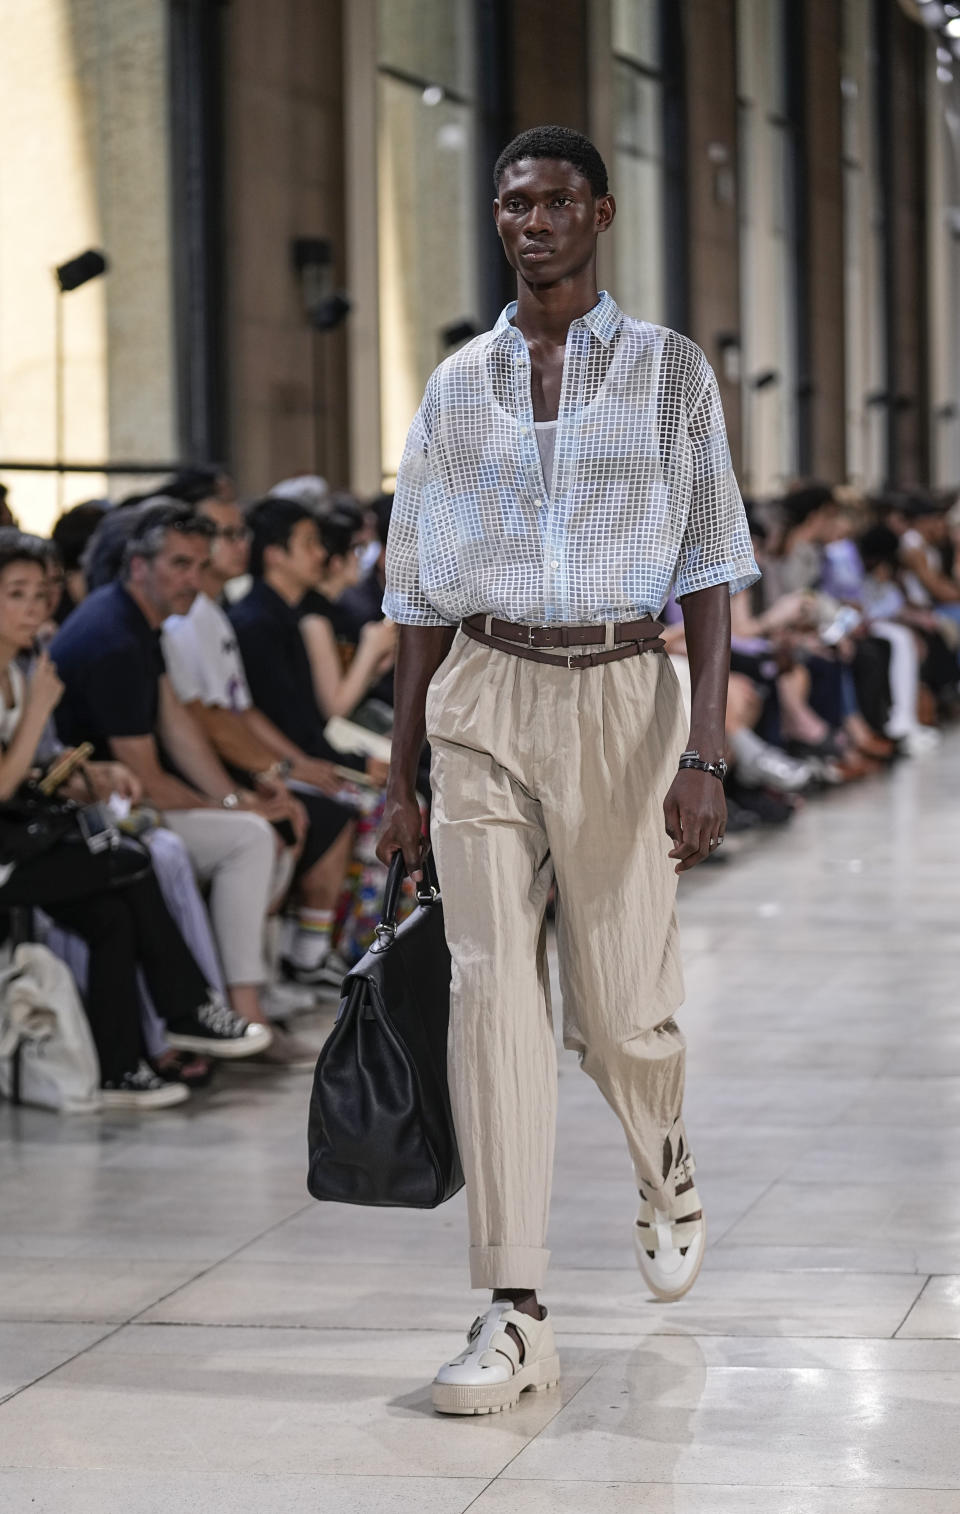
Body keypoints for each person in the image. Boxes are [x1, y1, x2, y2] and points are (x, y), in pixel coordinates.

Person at [376, 125, 759, 1415]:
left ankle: (662, 1151)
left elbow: (710, 564)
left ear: (598, 214)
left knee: (619, 1009)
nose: (527, 222)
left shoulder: (668, 374)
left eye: (551, 202)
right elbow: (417, 588)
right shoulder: (456, 384)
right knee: (490, 990)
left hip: (621, 693)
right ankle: (512, 1304)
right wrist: (396, 773)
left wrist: (706, 746)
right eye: (509, 203)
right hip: (481, 692)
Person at [0, 535, 264, 1108]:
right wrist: (41, 712)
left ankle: (120, 1068)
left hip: (23, 843)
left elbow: (29, 769)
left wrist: (83, 770)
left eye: (40, 595)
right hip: (9, 857)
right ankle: (186, 1008)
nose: (35, 609)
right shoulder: (31, 683)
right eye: (16, 595)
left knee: (112, 917)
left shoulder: (21, 673)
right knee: (132, 860)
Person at [49, 501, 288, 1042]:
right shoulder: (113, 637)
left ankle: (248, 1000)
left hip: (116, 800)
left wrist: (234, 799)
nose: (193, 580)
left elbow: (177, 726)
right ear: (139, 567)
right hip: (90, 809)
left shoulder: (137, 620)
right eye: (179, 564)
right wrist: (236, 810)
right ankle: (244, 1007)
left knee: (256, 827)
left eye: (200, 566)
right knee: (248, 840)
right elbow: (147, 779)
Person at [162, 492, 359, 992]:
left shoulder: (214, 613)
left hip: (242, 768)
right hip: (205, 777)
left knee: (328, 806)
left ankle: (298, 960)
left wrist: (291, 766)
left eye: (234, 534)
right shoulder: (199, 619)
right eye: (222, 535)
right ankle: (264, 979)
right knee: (287, 823)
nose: (231, 546)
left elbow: (240, 710)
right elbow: (208, 720)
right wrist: (278, 775)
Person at [229, 497, 392, 977]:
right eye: (308, 544)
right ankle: (328, 950)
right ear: (275, 554)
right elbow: (279, 719)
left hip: (296, 755)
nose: (320, 554)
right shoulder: (259, 620)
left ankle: (331, 948)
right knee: (367, 807)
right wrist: (324, 767)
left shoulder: (283, 612)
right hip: (270, 763)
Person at [298, 503, 396, 718]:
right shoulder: (315, 619)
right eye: (355, 549)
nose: (360, 558)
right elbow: (335, 708)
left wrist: (376, 667)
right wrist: (370, 650)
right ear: (335, 561)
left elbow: (351, 685)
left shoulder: (334, 611)